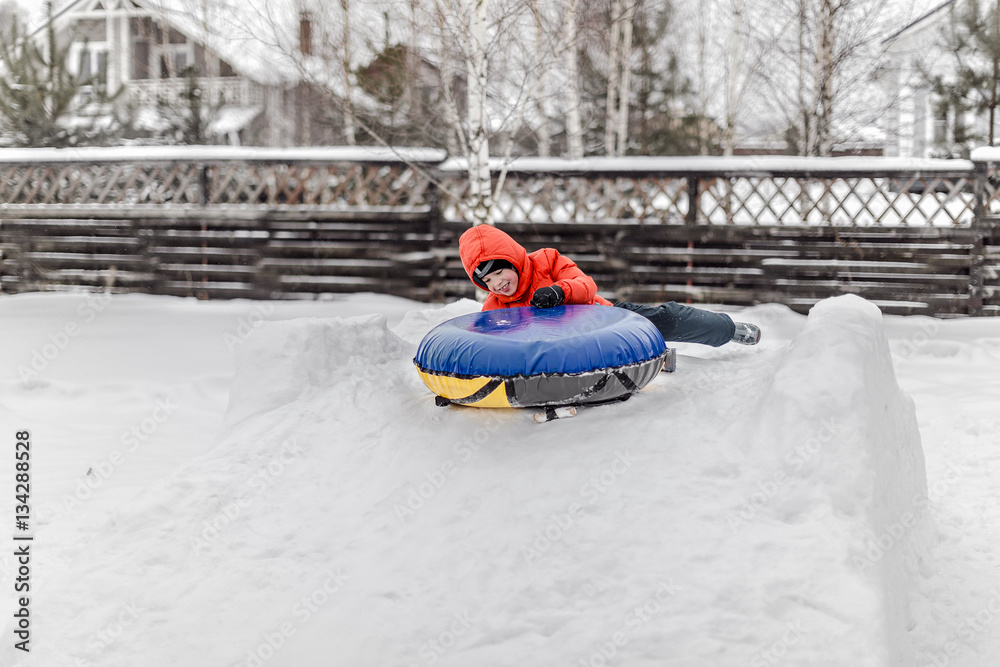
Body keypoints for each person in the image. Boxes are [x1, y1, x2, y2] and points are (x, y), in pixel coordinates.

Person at [458, 224, 761, 346]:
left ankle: (727, 328)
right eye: (487, 281)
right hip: (573, 346)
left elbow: (585, 285)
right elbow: (485, 339)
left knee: (665, 318)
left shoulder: (545, 261)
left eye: (500, 273)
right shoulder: (495, 306)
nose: (497, 284)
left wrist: (559, 291)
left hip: (604, 316)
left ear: (514, 260)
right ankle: (652, 359)